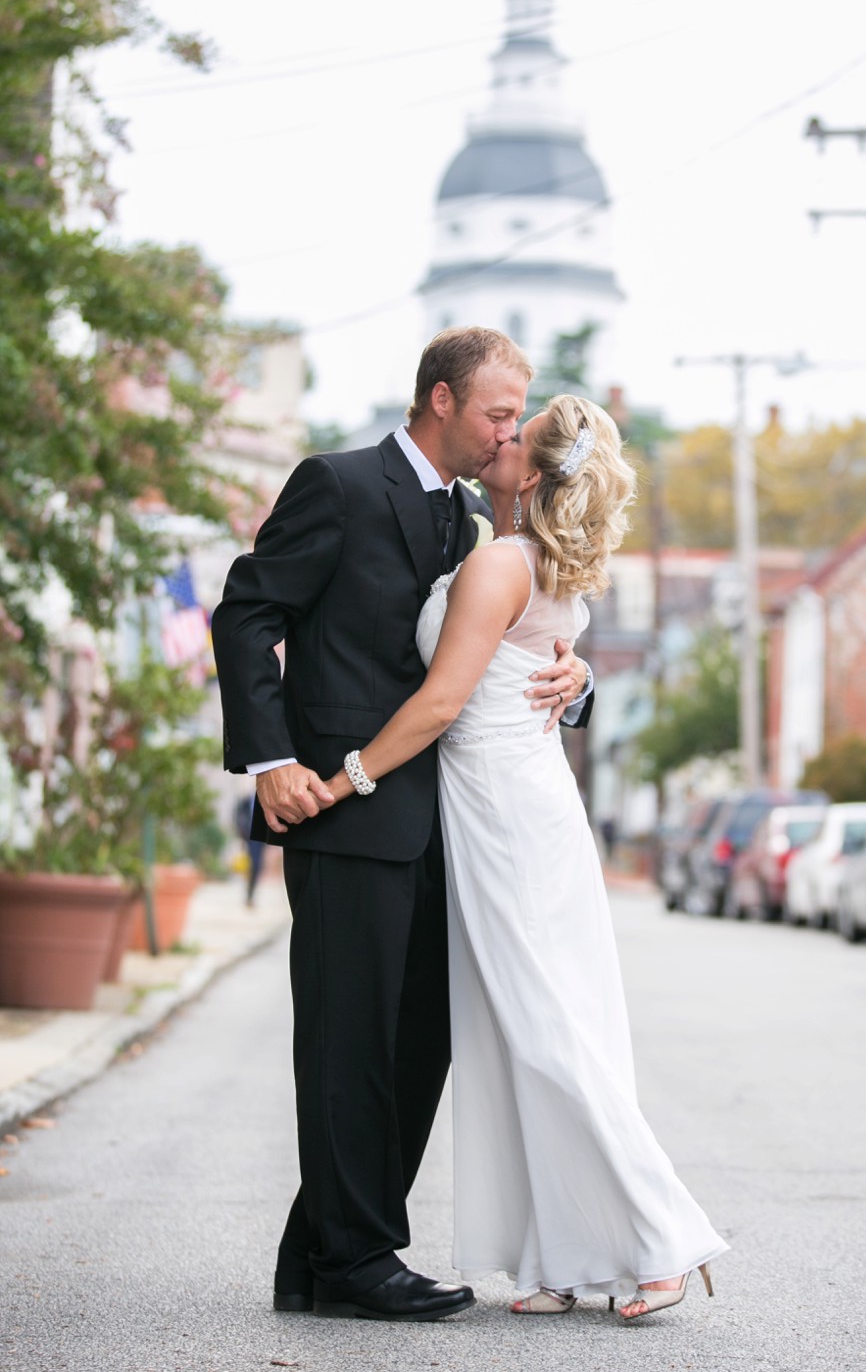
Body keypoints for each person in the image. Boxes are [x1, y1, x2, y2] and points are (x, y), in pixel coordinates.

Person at [318, 394, 729, 1323]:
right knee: (512, 1031)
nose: (498, 439)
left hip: (505, 806)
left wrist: (340, 781)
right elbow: (545, 656)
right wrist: (575, 672)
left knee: (547, 1025)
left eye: (515, 432)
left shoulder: (505, 561)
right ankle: (566, 1258)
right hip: (517, 800)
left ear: (532, 475)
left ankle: (661, 1240)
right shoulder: (540, 559)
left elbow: (437, 706)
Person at [210, 328, 592, 1323]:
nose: (512, 431)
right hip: (338, 811)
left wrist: (576, 677)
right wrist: (269, 761)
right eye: (498, 414)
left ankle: (318, 1251)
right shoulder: (336, 484)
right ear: (439, 401)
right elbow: (248, 612)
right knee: (350, 1042)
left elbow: (499, 648)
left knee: (420, 1039)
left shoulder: (469, 515)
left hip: (443, 822)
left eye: (517, 416)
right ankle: (356, 1260)